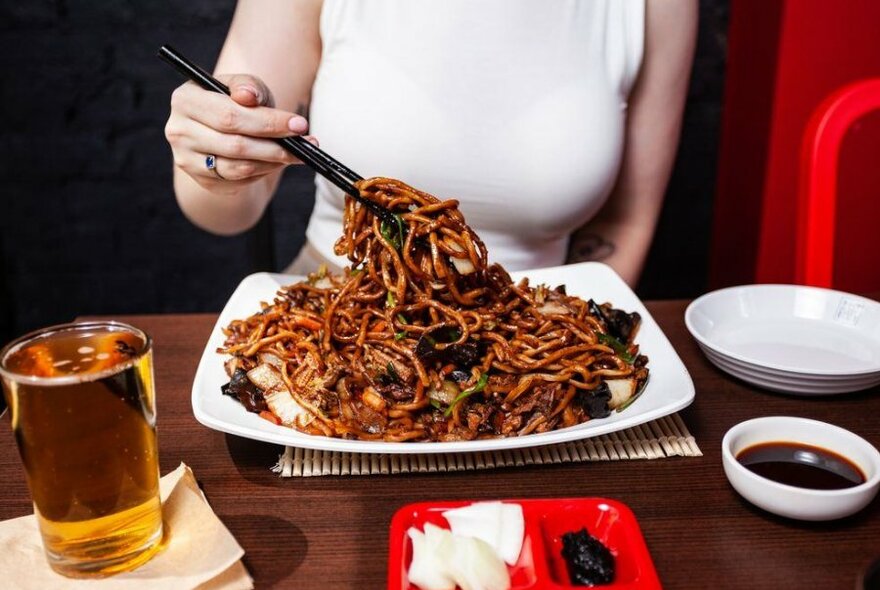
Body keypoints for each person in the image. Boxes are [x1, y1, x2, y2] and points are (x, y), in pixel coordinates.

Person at [165, 0, 697, 287]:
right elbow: (223, 212)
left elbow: (625, 224)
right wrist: (216, 162)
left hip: (534, 322)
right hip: (326, 300)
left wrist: (554, 343)